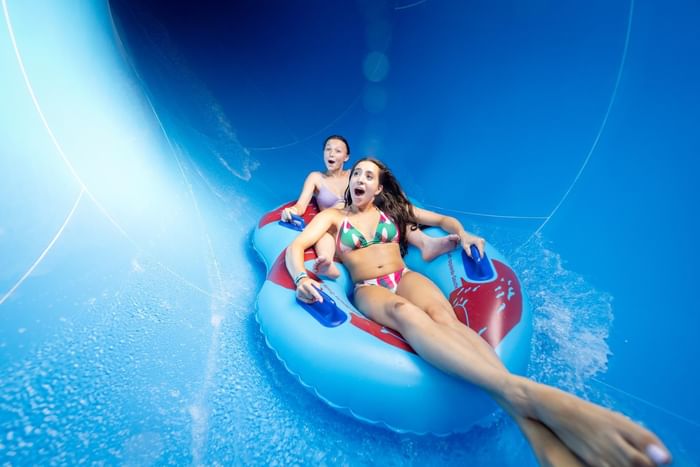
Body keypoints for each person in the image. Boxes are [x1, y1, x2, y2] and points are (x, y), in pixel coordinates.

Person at [285, 157, 671, 467]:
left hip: (404, 275)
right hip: (370, 290)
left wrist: (464, 234)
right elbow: (295, 247)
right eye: (358, 173)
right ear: (351, 181)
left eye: (370, 175)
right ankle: (533, 398)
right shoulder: (335, 218)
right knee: (407, 314)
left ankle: (529, 421)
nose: (362, 179)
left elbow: (443, 221)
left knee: (444, 315)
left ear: (379, 187)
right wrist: (301, 276)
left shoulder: (392, 212)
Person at [281, 135, 460, 279]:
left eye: (337, 151)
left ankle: (426, 243)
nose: (331, 154)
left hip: (364, 219)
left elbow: (383, 188)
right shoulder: (316, 177)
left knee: (392, 213)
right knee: (325, 233)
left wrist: (401, 202)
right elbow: (301, 205)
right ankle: (327, 262)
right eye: (328, 149)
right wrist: (293, 211)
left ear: (346, 157)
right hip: (339, 226)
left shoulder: (356, 175)